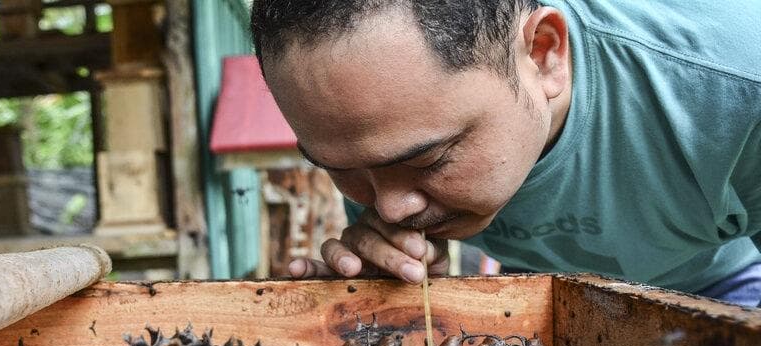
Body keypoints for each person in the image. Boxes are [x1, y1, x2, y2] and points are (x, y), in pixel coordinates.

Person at [250, 0, 761, 307]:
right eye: (341, 170)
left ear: (543, 55)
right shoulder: (380, 145)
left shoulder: (733, 89)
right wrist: (391, 286)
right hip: (543, 299)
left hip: (719, 282)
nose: (388, 208)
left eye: (429, 160)